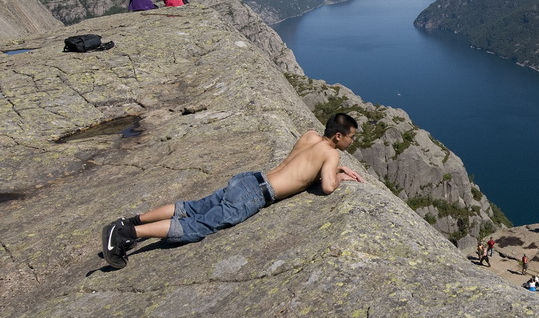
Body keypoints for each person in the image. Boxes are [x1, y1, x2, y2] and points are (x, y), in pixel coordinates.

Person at [101, 113, 364, 269]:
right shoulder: (330, 153)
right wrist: (339, 174)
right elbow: (328, 187)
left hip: (251, 179)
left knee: (192, 207)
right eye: (351, 137)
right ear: (338, 136)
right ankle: (126, 233)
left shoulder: (309, 136)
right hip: (256, 196)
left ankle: (131, 220)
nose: (352, 142)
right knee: (197, 226)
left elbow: (301, 168)